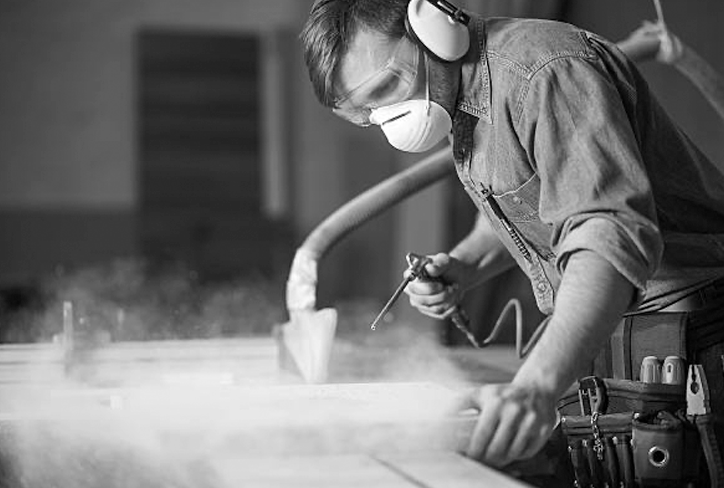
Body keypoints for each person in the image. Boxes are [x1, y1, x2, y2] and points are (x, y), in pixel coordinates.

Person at [300, 0, 724, 474]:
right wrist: (464, 265)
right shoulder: (465, 94)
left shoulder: (544, 72)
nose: (388, 117)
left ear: (433, 28)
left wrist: (535, 386)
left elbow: (606, 237)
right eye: (367, 114)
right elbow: (533, 200)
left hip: (693, 339)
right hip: (620, 330)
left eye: (387, 88)